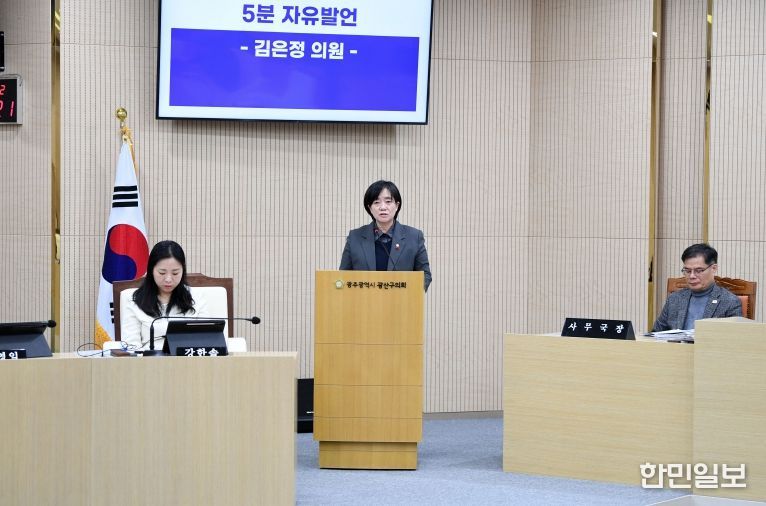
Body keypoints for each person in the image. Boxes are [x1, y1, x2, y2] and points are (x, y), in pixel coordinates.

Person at [340, 180, 432, 291]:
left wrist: (409, 294)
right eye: (376, 202)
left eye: (388, 201)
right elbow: (343, 276)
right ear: (370, 208)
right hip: (364, 301)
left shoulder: (414, 237)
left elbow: (425, 275)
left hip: (401, 301)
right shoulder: (355, 237)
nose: (383, 207)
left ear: (397, 205)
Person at [121, 240, 208, 350]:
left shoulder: (197, 298)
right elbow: (130, 347)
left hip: (187, 359)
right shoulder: (134, 301)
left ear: (183, 271)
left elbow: (206, 340)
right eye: (162, 273)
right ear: (151, 270)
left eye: (175, 273)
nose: (168, 279)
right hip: (148, 359)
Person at [652, 243, 742, 332]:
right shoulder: (674, 299)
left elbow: (735, 337)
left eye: (698, 271)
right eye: (687, 271)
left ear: (713, 268)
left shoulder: (729, 302)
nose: (692, 276)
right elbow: (655, 333)